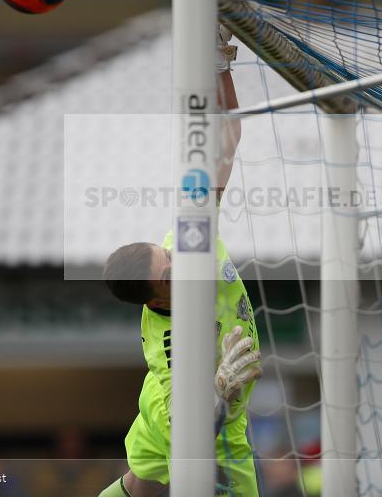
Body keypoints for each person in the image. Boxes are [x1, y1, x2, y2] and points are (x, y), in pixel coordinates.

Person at [98, 27, 262, 497]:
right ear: (154, 299)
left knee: (141, 479)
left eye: (168, 253)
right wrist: (219, 392)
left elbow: (227, 138)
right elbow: (191, 437)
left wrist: (218, 65)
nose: (181, 261)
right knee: (172, 466)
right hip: (206, 425)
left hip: (155, 409)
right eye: (170, 271)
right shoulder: (173, 353)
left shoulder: (191, 240)